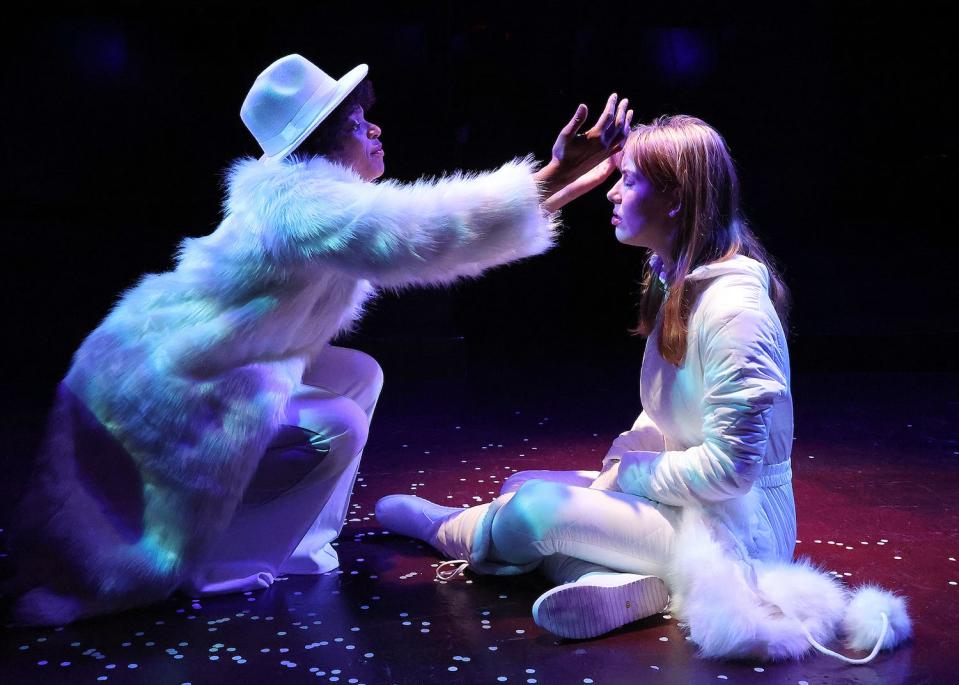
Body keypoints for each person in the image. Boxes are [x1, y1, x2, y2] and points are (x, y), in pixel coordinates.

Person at [8, 54, 631, 626]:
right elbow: (431, 231)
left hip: (192, 362)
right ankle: (224, 566)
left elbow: (438, 232)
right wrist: (552, 174)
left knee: (357, 373)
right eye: (360, 122)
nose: (375, 130)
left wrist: (560, 182)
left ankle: (302, 542)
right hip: (162, 381)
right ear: (323, 141)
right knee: (338, 421)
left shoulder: (309, 198)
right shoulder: (301, 204)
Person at [376, 115, 911, 662]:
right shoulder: (678, 281)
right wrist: (628, 458)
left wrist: (631, 475)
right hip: (691, 500)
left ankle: (450, 530)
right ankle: (614, 584)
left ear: (676, 199)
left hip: (734, 532)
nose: (612, 191)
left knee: (533, 508)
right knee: (525, 479)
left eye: (629, 180)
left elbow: (732, 470)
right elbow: (670, 412)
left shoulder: (735, 310)